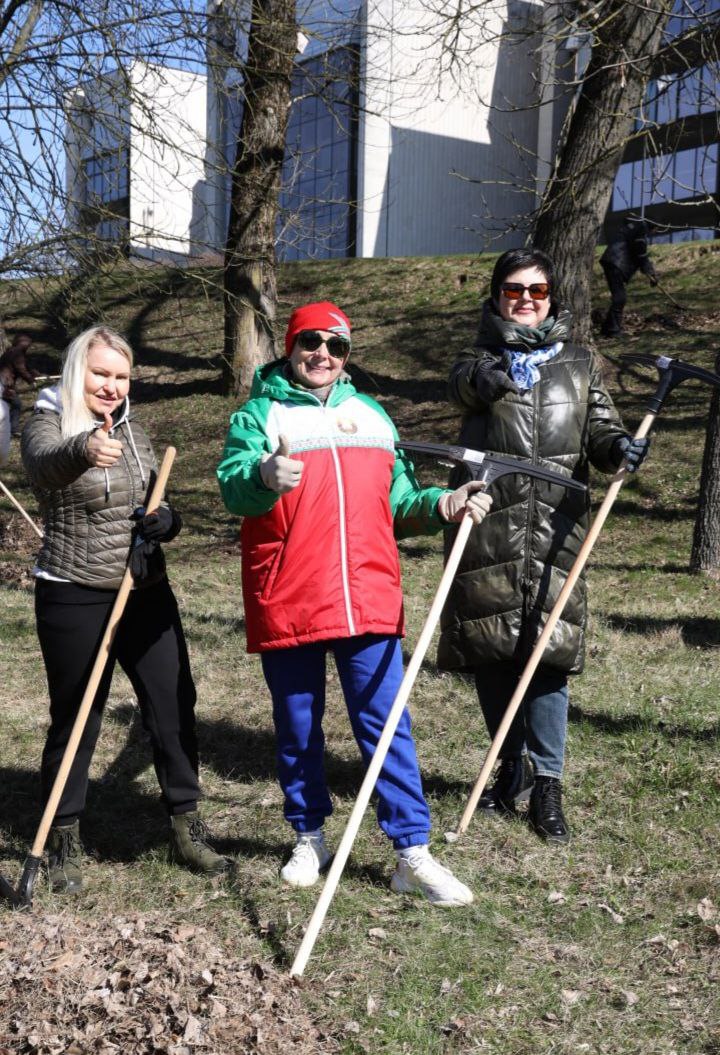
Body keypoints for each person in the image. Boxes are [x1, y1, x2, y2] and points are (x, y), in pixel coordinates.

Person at [217, 301, 492, 906]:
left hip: (367, 595)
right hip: (289, 593)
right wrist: (262, 475)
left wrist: (442, 505)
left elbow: (400, 501)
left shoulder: (371, 415)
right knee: (297, 725)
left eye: (336, 346)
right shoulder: (260, 414)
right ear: (290, 347)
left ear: (346, 356)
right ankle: (308, 837)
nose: (323, 355)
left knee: (386, 724)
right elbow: (233, 488)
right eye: (311, 342)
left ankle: (411, 852)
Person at [439, 249, 649, 844]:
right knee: (492, 646)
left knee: (549, 651)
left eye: (537, 290)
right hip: (489, 524)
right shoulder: (478, 357)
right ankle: (512, 768)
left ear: (552, 297)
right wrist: (483, 379)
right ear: (496, 295)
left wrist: (619, 449)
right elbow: (460, 387)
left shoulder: (579, 363)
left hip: (557, 527)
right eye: (514, 289)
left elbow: (600, 428)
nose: (525, 299)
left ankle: (548, 783)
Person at [21, 325, 227, 892]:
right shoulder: (47, 422)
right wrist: (84, 448)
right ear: (77, 372)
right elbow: (43, 465)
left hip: (145, 589)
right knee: (78, 715)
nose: (111, 386)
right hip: (75, 588)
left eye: (121, 376)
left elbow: (156, 496)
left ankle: (186, 824)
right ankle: (63, 837)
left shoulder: (135, 428)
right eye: (100, 374)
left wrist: (167, 522)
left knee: (173, 703)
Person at [600, 218, 658, 337]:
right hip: (616, 263)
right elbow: (640, 253)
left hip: (611, 261)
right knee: (620, 298)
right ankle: (613, 330)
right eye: (656, 231)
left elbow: (637, 253)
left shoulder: (634, 227)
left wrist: (649, 271)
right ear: (654, 228)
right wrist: (650, 273)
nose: (654, 233)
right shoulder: (641, 229)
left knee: (619, 297)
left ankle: (607, 328)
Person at [0, 333, 38, 436]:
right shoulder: (17, 353)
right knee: (16, 404)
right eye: (28, 344)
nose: (29, 346)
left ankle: (9, 428)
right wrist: (30, 380)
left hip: (4, 383)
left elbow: (25, 366)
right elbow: (21, 369)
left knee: (9, 404)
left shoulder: (12, 352)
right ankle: (13, 429)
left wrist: (34, 373)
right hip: (4, 383)